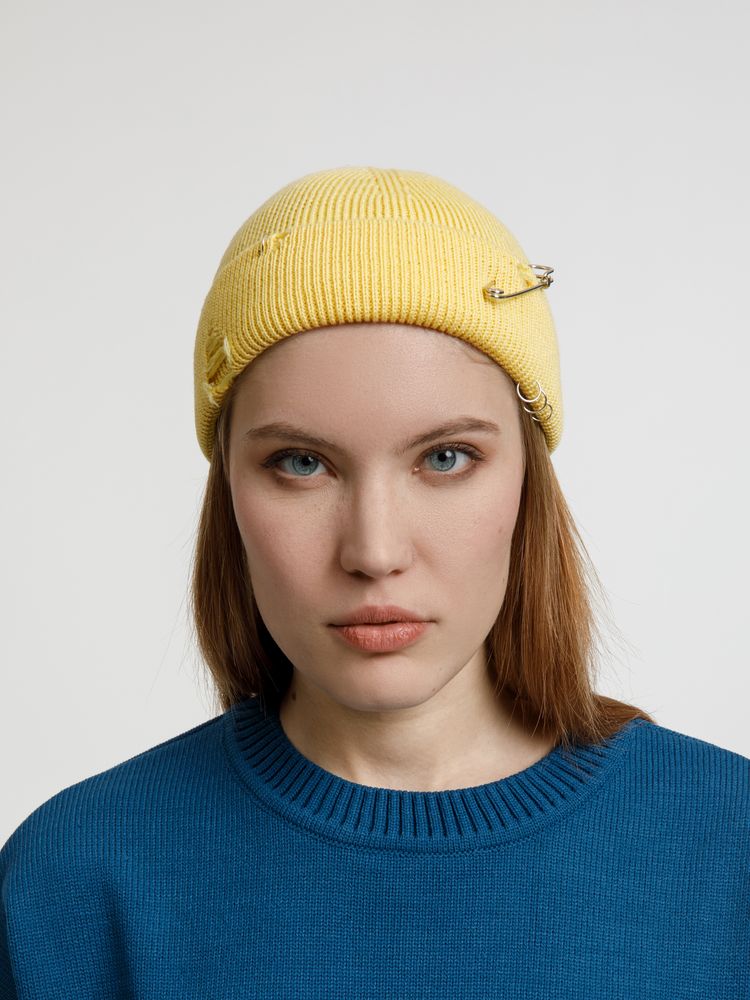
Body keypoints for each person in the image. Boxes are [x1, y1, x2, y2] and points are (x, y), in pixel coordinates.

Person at [1, 165, 748, 998]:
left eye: (445, 457)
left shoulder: (730, 847)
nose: (374, 550)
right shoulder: (75, 885)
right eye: (301, 463)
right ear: (228, 494)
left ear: (527, 483)